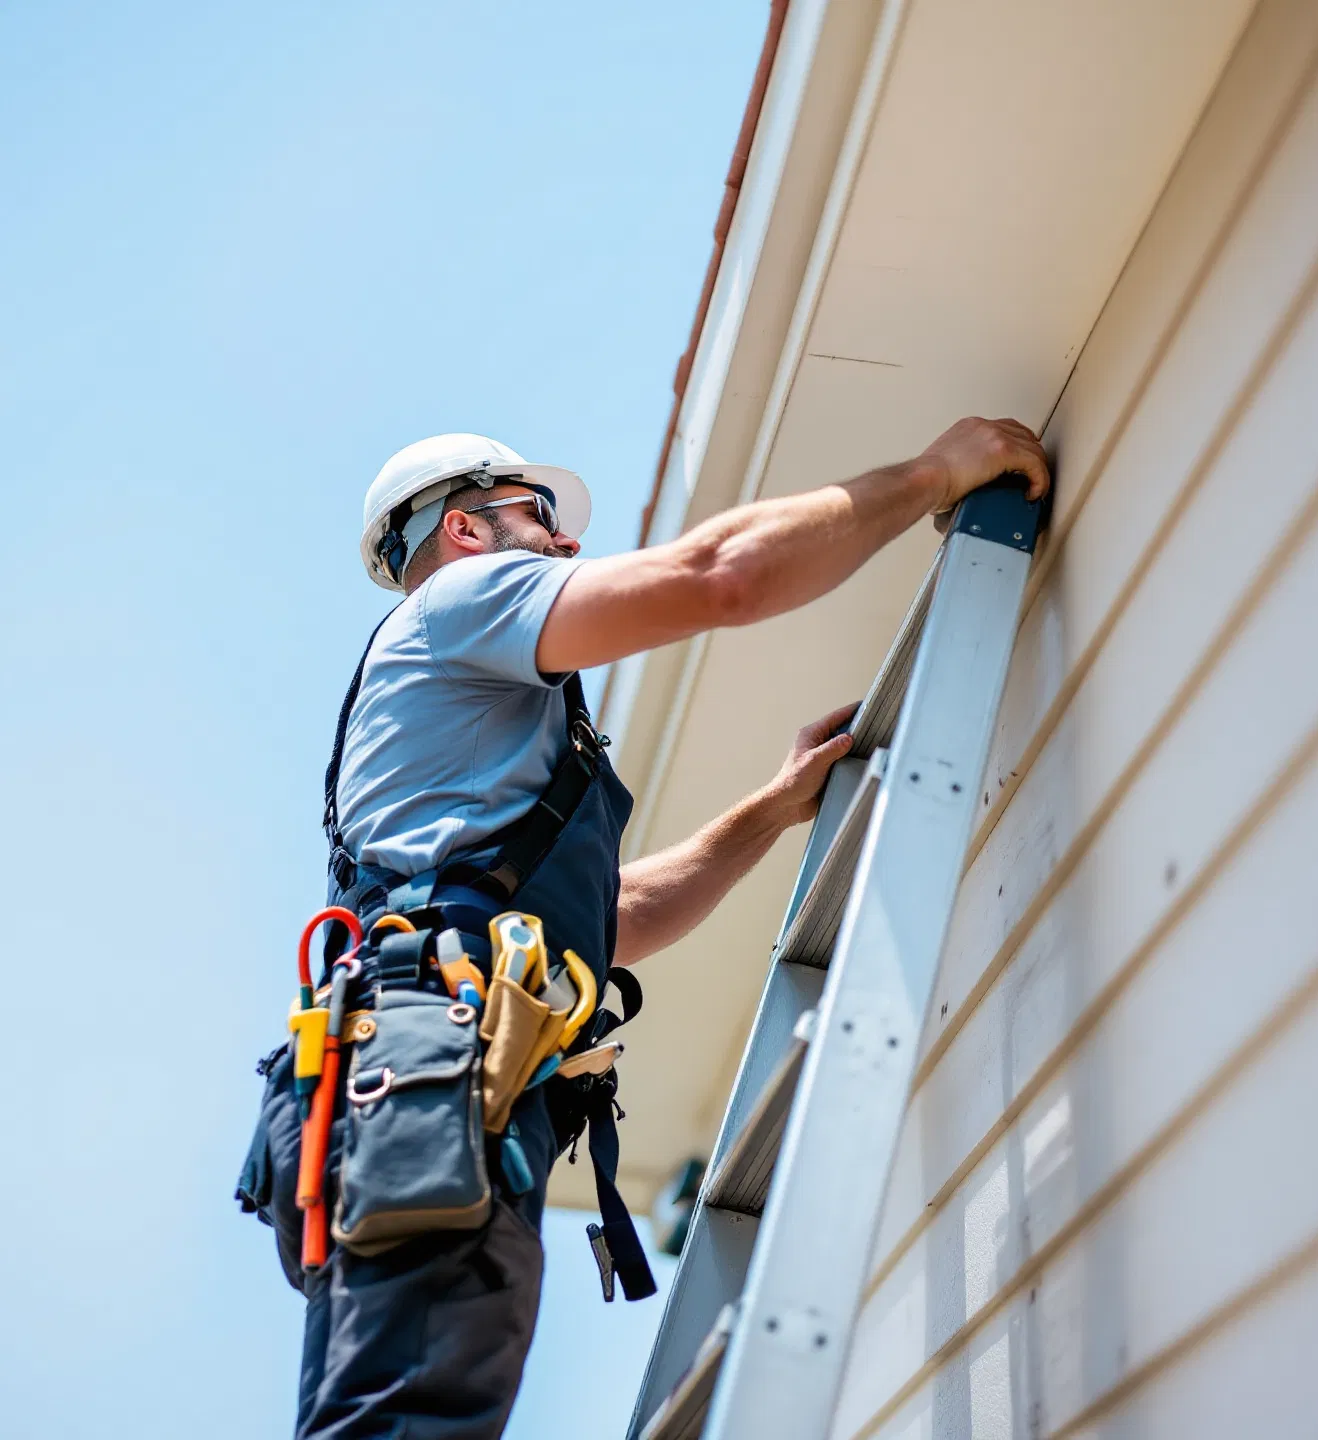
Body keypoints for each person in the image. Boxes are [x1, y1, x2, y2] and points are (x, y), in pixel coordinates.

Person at [238, 419, 1049, 1438]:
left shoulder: (459, 741)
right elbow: (722, 575)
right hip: (427, 1076)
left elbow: (606, 921)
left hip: (404, 1086)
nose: (568, 545)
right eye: (539, 517)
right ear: (466, 530)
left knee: (392, 1409)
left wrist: (767, 809)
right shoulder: (463, 601)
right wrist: (935, 471)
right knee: (413, 1420)